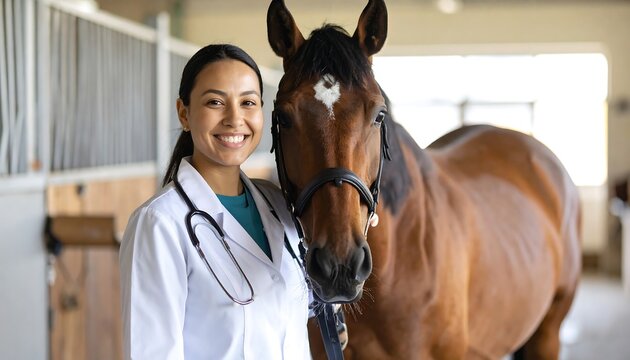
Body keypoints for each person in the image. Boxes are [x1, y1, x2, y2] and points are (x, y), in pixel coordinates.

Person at [119, 44, 311, 360]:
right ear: (184, 113)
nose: (235, 119)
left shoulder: (279, 207)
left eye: (248, 102)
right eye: (215, 102)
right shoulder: (159, 223)